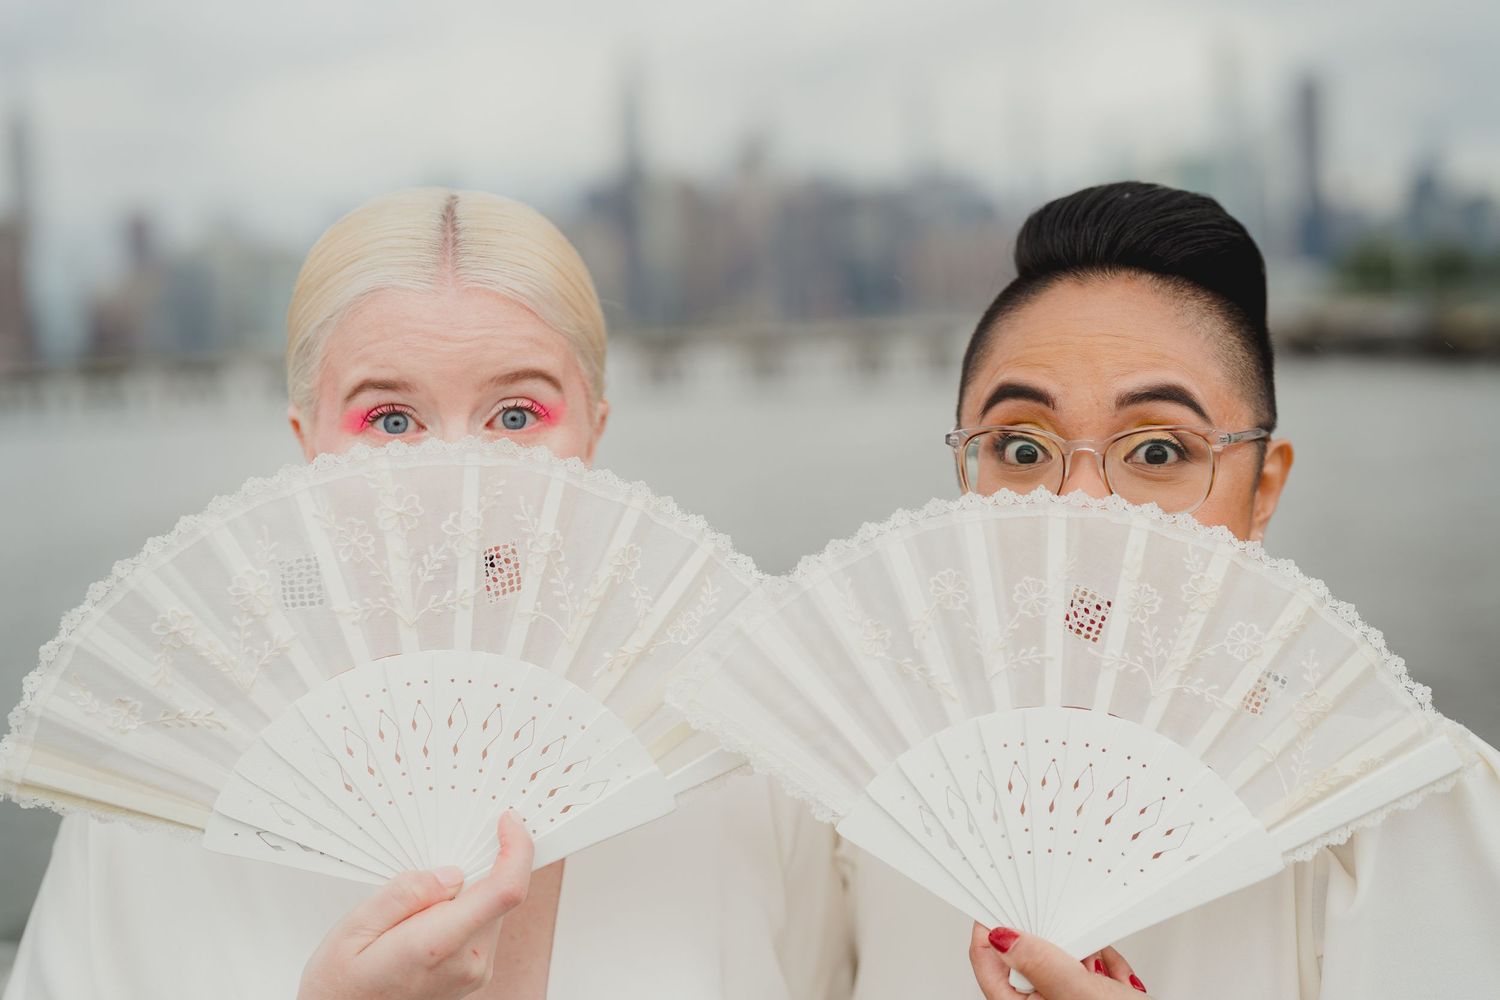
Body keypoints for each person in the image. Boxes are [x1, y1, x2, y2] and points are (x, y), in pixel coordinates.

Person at [2, 188, 852, 1000]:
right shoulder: (160, 784)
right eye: (392, 420)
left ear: (593, 435)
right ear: (309, 448)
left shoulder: (732, 758)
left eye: (515, 417)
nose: (457, 481)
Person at [835, 182, 1500, 1000]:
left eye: (1156, 453)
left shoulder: (1397, 805)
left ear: (1264, 491)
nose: (1077, 507)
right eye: (1020, 448)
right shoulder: (866, 805)